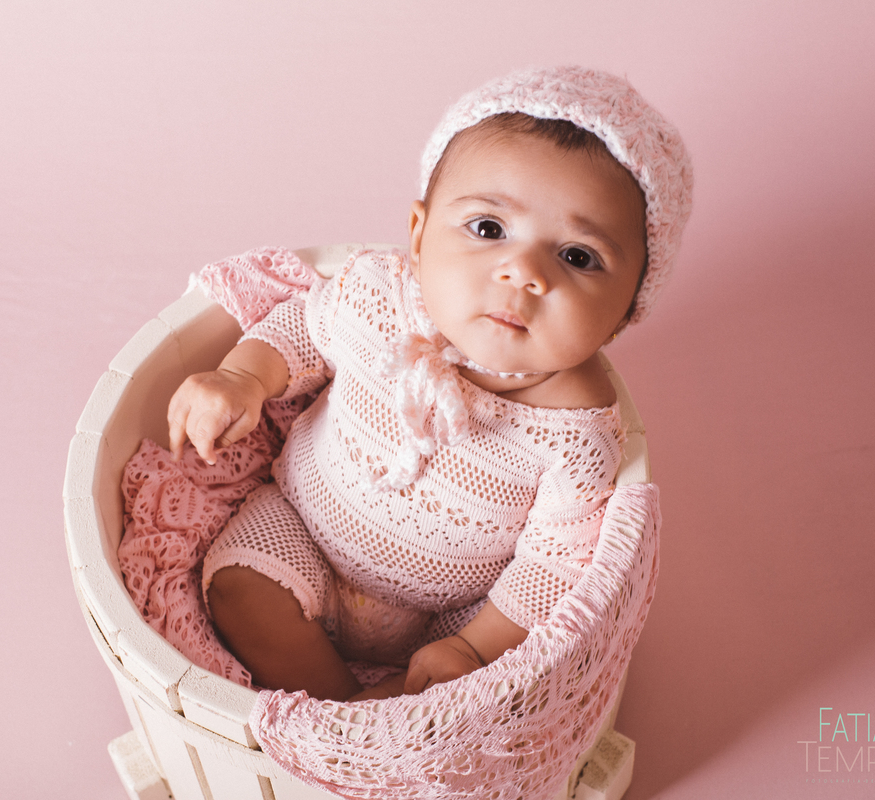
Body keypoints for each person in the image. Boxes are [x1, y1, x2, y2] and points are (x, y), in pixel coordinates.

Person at [166, 67, 692, 702]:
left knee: (487, 678)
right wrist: (241, 377)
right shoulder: (379, 297)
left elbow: (552, 564)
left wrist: (473, 646)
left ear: (627, 310)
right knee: (239, 587)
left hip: (452, 610)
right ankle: (342, 711)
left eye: (578, 256)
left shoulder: (577, 435)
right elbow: (304, 328)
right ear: (417, 236)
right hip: (302, 530)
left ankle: (398, 715)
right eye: (489, 228)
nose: (522, 271)